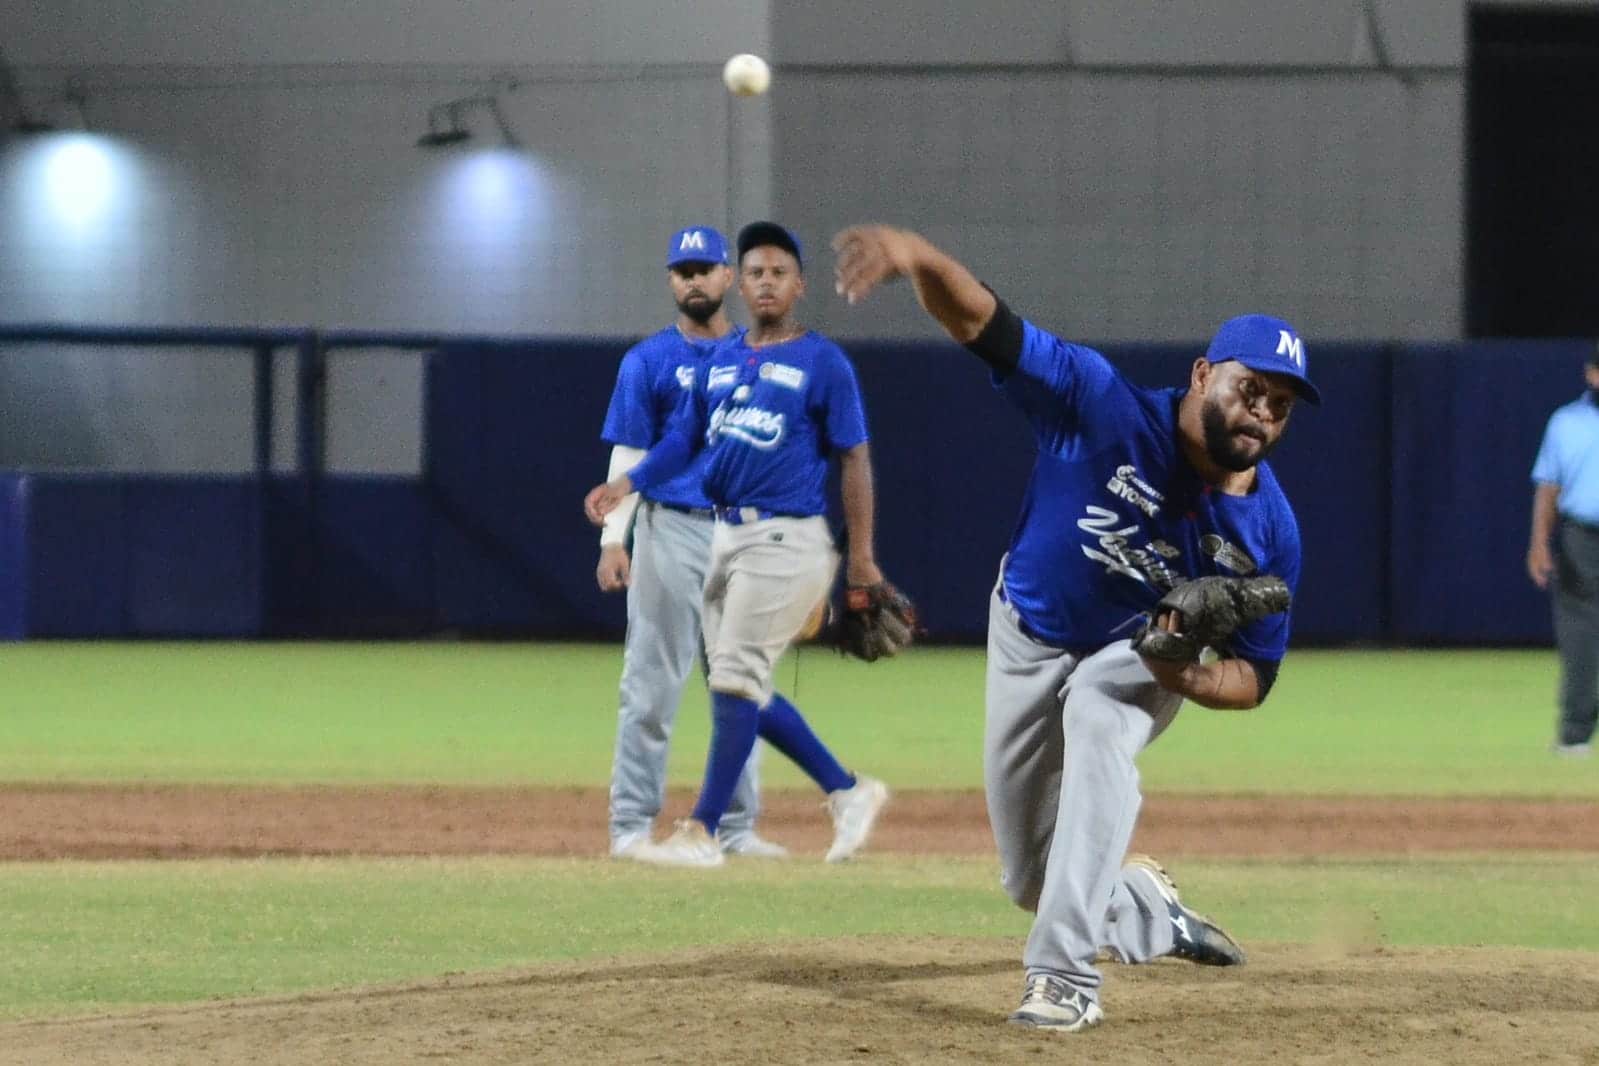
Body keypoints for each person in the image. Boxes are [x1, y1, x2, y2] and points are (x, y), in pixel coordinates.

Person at [831, 224, 1318, 1031]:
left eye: (1279, 402)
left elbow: (1254, 678)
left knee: (1097, 712)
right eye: (1247, 386)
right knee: (1030, 875)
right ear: (1202, 375)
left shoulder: (1270, 531)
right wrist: (918, 259)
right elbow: (985, 325)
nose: (1260, 410)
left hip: (1137, 654)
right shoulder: (1101, 405)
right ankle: (1146, 908)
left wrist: (1187, 674)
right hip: (1026, 631)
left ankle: (1062, 980)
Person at [585, 221, 890, 868]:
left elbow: (855, 457)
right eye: (758, 272)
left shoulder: (822, 360)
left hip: (784, 535)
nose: (766, 282)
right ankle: (844, 788)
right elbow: (680, 442)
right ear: (741, 284)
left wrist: (860, 558)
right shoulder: (722, 362)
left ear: (798, 284)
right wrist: (627, 488)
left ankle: (703, 830)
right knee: (737, 684)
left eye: (778, 272)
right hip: (720, 532)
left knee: (732, 681)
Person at [596, 226, 786, 861]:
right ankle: (630, 826)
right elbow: (630, 451)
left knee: (741, 684)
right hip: (671, 526)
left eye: (706, 268)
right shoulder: (646, 361)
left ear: (728, 278)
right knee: (652, 681)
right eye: (684, 270)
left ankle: (735, 827)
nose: (695, 279)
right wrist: (612, 539)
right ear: (672, 281)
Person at [1526, 348, 1599, 759]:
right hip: (1581, 538)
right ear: (1591, 374)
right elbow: (1548, 487)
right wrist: (1539, 544)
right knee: (1581, 637)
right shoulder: (1566, 422)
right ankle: (1575, 734)